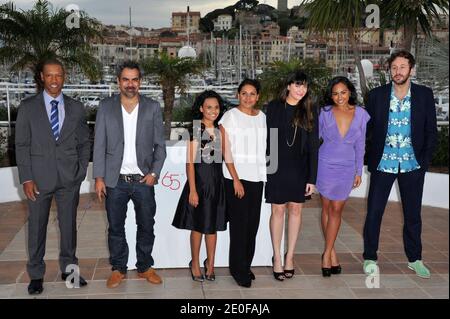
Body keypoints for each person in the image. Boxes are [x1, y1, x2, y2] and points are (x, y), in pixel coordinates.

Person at [15, 59, 90, 295]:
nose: (54, 80)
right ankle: (36, 275)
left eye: (58, 75)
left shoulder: (76, 107)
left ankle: (70, 272)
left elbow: (84, 142)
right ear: (41, 77)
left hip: (69, 179)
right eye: (49, 76)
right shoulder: (28, 107)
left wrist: (80, 172)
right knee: (37, 227)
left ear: (64, 76)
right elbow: (21, 144)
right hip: (38, 179)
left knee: (69, 227)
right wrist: (26, 178)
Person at [363, 50, 437, 278]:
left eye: (403, 67)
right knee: (374, 213)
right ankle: (369, 257)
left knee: (413, 215)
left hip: (412, 165)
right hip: (383, 163)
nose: (398, 72)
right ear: (390, 70)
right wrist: (369, 159)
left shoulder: (424, 95)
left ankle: (415, 259)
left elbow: (431, 131)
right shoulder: (377, 96)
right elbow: (368, 130)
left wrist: (423, 162)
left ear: (411, 70)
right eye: (394, 67)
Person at [93, 61, 166, 288]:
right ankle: (118, 268)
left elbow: (160, 146)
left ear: (140, 82)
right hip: (116, 181)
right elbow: (99, 145)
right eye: (126, 79)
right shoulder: (105, 107)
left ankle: (144, 266)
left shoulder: (152, 107)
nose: (130, 84)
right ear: (118, 82)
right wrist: (99, 178)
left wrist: (154, 172)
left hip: (144, 180)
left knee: (146, 225)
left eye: (135, 79)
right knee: (116, 227)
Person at [265, 71, 319, 281]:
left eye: (304, 86)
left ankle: (290, 256)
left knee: (296, 209)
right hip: (277, 165)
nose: (300, 90)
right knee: (277, 210)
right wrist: (269, 169)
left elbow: (314, 145)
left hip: (300, 167)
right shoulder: (274, 107)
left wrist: (312, 178)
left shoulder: (310, 109)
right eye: (297, 85)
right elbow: (269, 140)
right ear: (288, 86)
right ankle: (277, 257)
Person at [316, 76, 370, 277]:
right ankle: (331, 254)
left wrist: (358, 171)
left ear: (350, 92)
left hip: (346, 167)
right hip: (325, 164)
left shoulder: (361, 114)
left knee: (337, 209)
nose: (339, 97)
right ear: (331, 95)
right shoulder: (325, 113)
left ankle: (327, 252)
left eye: (343, 92)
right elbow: (315, 140)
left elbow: (361, 145)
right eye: (335, 93)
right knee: (327, 208)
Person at [172, 90, 227, 282]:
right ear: (201, 108)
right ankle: (194, 263)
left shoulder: (221, 130)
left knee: (212, 228)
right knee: (197, 227)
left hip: (217, 185)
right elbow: (190, 163)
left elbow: (227, 158)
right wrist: (193, 190)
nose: (213, 111)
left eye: (216, 107)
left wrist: (236, 179)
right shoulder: (196, 129)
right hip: (200, 185)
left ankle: (210, 265)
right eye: (209, 107)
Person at [219, 79, 267, 288]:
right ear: (238, 95)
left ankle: (246, 265)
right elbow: (225, 151)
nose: (248, 98)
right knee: (239, 227)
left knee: (252, 226)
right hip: (235, 179)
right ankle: (238, 270)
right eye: (244, 93)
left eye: (252, 94)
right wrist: (236, 179)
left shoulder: (262, 117)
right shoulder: (229, 117)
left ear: (258, 97)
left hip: (257, 178)